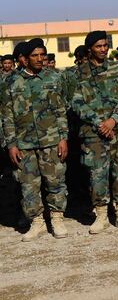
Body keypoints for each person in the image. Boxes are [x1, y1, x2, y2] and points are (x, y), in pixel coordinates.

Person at [1, 39, 70, 241]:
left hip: (51, 140)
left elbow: (60, 111)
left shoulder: (53, 78)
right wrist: (11, 144)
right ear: (25, 59)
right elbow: (7, 116)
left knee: (55, 181)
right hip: (24, 144)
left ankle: (57, 218)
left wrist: (63, 138)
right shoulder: (11, 82)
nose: (40, 59)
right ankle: (37, 222)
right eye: (35, 55)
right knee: (28, 185)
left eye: (42, 55)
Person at [71, 30, 118, 234]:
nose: (102, 49)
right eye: (98, 46)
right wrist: (100, 123)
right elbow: (76, 102)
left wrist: (112, 120)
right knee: (97, 174)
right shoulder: (77, 73)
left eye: (105, 45)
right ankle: (101, 215)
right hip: (93, 133)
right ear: (90, 48)